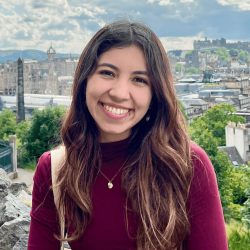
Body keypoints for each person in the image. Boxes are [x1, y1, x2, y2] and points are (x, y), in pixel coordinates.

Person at [28, 20, 228, 250]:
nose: (120, 93)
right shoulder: (55, 170)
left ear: (156, 93)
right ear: (85, 79)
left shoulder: (187, 165)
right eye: (107, 73)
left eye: (139, 80)